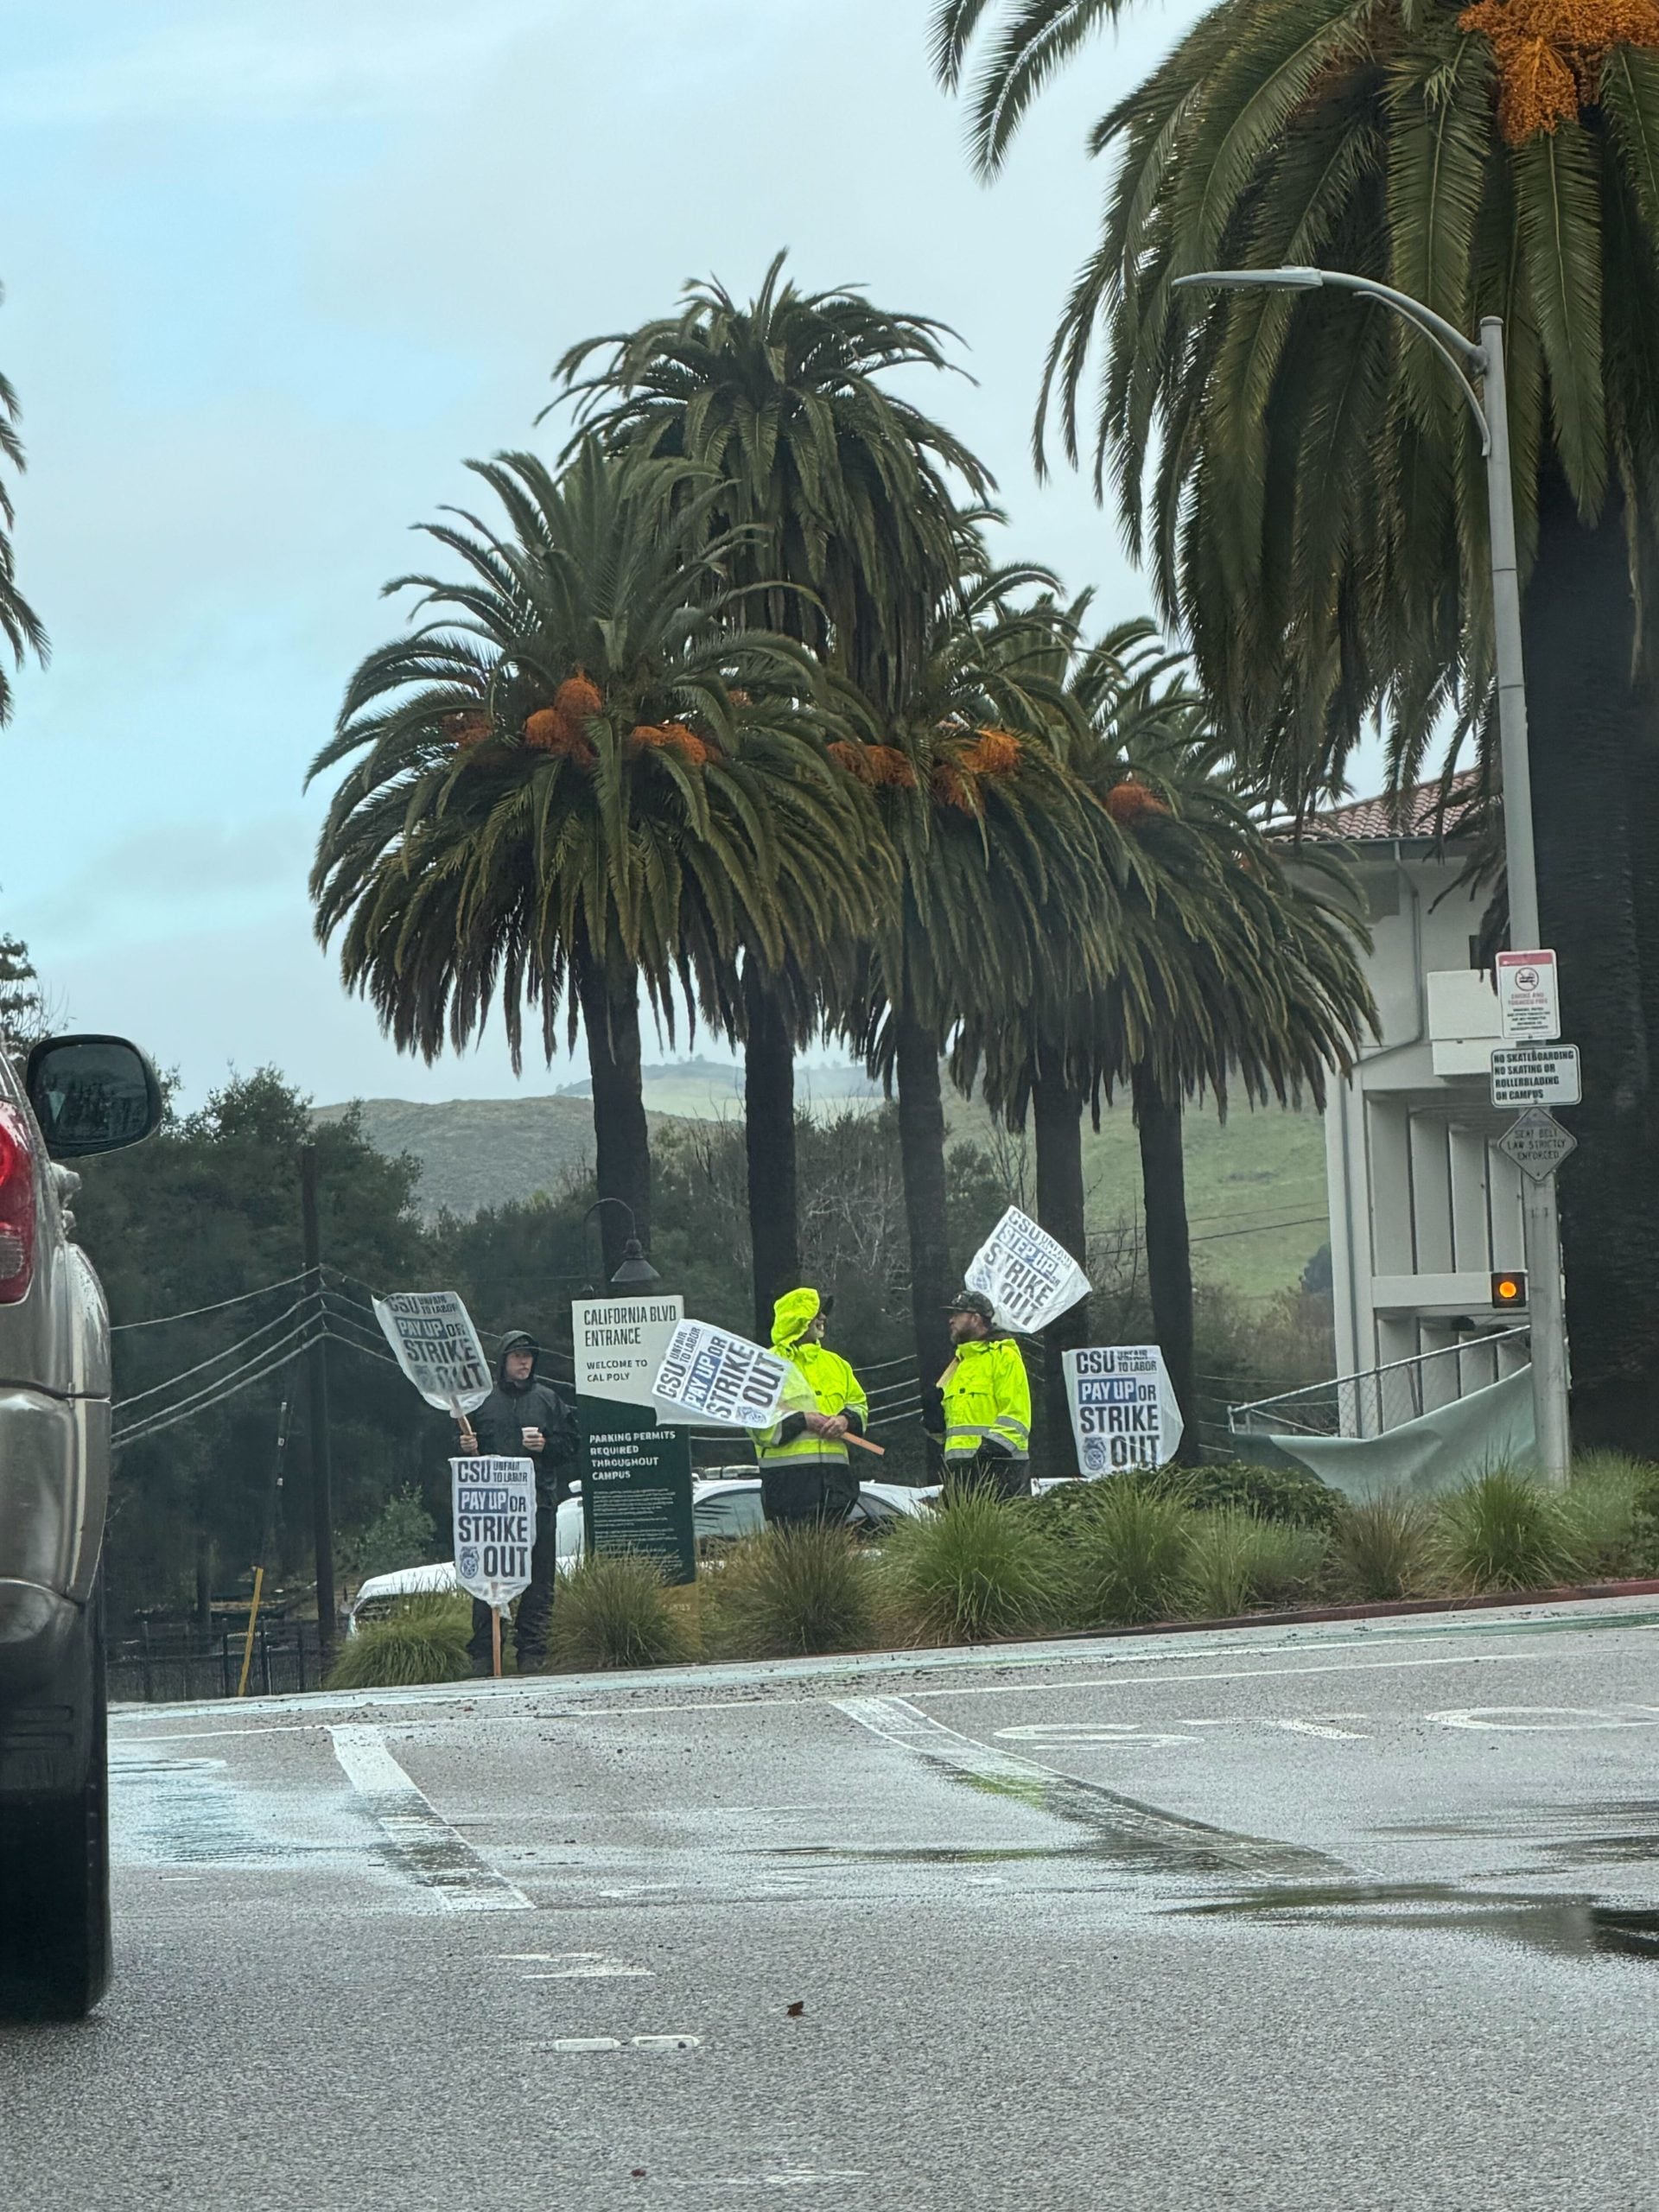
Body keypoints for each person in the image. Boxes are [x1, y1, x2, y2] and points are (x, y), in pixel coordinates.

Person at [458, 1330, 578, 1674]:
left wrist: (546, 1447)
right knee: (487, 1580)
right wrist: (465, 1447)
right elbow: (460, 1449)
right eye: (517, 1356)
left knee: (540, 1583)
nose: (524, 1361)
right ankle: (484, 1654)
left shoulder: (548, 1400)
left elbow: (571, 1445)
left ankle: (533, 1653)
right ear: (503, 1362)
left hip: (538, 1504)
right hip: (490, 1511)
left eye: (528, 1355)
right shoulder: (480, 1403)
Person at [748, 1287, 869, 1528]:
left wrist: (846, 1420)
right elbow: (757, 1425)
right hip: (787, 1490)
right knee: (795, 1564)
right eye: (816, 1312)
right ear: (798, 1318)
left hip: (836, 1489)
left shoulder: (838, 1365)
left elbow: (860, 1406)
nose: (823, 1318)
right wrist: (803, 1420)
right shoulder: (764, 1365)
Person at [925, 1290, 1033, 1498]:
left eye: (957, 1313)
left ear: (975, 1318)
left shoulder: (1004, 1357)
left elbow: (1017, 1417)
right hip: (959, 1476)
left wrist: (988, 1453)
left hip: (1001, 1473)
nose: (951, 1320)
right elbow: (949, 1436)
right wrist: (934, 1422)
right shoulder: (958, 1365)